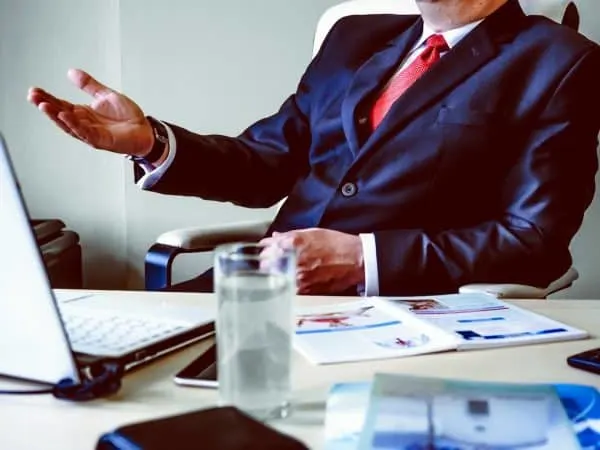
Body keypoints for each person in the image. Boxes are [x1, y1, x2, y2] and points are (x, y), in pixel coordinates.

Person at [27, 0, 600, 296]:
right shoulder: (356, 37)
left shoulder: (560, 60)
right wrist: (153, 142)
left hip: (404, 311)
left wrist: (362, 261)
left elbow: (534, 240)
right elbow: (265, 164)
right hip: (258, 292)